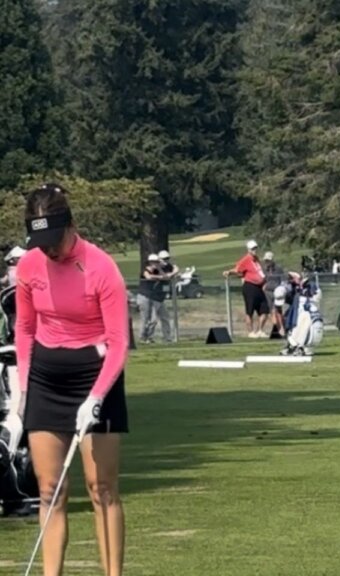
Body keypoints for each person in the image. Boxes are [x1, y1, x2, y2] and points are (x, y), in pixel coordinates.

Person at [13, 183, 129, 575]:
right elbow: (25, 329)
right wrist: (23, 392)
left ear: (71, 226)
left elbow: (119, 342)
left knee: (102, 488)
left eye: (54, 239)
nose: (48, 250)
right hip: (46, 379)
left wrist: (95, 397)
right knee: (49, 490)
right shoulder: (29, 266)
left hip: (97, 376)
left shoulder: (100, 267)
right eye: (40, 242)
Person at [223, 240, 269, 338]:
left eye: (255, 248)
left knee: (264, 310)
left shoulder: (256, 259)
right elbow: (237, 269)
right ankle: (251, 332)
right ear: (248, 250)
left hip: (259, 287)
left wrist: (264, 282)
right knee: (250, 311)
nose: (254, 250)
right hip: (250, 286)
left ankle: (260, 330)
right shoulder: (246, 259)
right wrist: (229, 272)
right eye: (252, 249)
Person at [136, 254, 171, 344]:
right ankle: (142, 337)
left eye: (157, 262)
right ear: (150, 262)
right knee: (145, 318)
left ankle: (149, 337)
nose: (155, 264)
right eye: (154, 262)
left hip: (151, 297)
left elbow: (166, 277)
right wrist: (160, 277)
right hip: (143, 296)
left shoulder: (156, 271)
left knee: (153, 320)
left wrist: (159, 268)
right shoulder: (145, 270)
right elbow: (148, 277)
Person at [262, 251, 284, 336]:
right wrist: (264, 286)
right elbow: (263, 279)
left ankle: (281, 328)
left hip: (277, 292)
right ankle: (276, 328)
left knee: (278, 310)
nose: (267, 262)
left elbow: (282, 280)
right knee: (272, 311)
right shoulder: (264, 269)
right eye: (266, 260)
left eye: (268, 260)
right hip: (268, 292)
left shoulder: (278, 269)